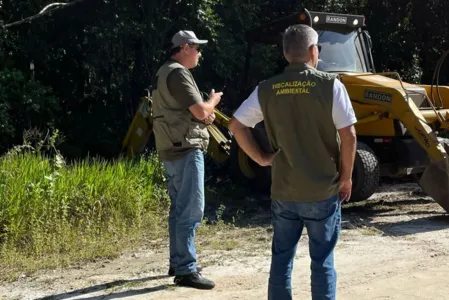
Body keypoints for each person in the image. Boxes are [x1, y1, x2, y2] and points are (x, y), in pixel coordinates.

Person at [228, 24, 357, 300]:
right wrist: (346, 178)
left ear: (286, 54)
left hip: (285, 191)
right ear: (314, 51)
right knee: (322, 261)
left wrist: (261, 159)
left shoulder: (266, 89)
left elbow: (236, 125)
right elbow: (349, 136)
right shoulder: (331, 85)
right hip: (322, 191)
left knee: (282, 259)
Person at [151, 30, 222, 290]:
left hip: (171, 147)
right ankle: (186, 270)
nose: (200, 53)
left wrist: (204, 114)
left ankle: (178, 261)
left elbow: (191, 113)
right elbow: (201, 110)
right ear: (184, 48)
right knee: (191, 210)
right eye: (197, 48)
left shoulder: (164, 71)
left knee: (178, 210)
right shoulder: (179, 73)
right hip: (185, 148)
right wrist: (212, 102)